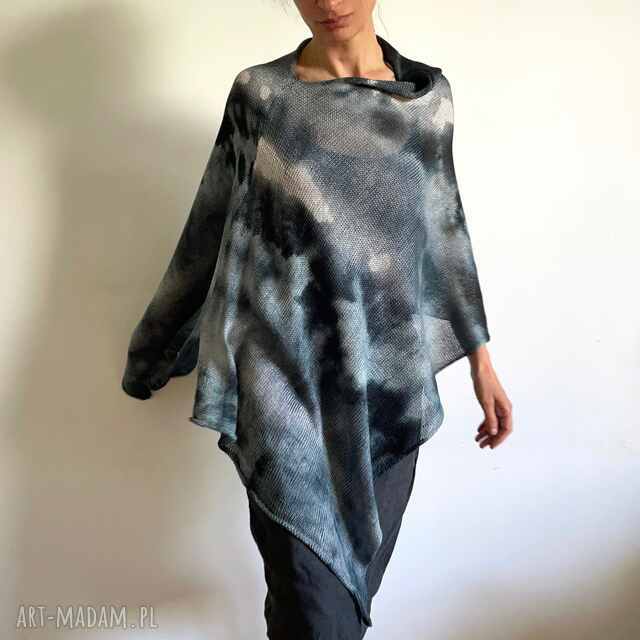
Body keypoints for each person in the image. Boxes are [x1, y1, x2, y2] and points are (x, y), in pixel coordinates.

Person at [121, 1, 513, 637]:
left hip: (385, 388)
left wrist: (481, 360)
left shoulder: (426, 101)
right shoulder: (262, 96)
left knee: (334, 605)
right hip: (282, 385)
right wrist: (156, 348)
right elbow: (210, 222)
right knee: (316, 606)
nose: (329, 4)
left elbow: (445, 233)